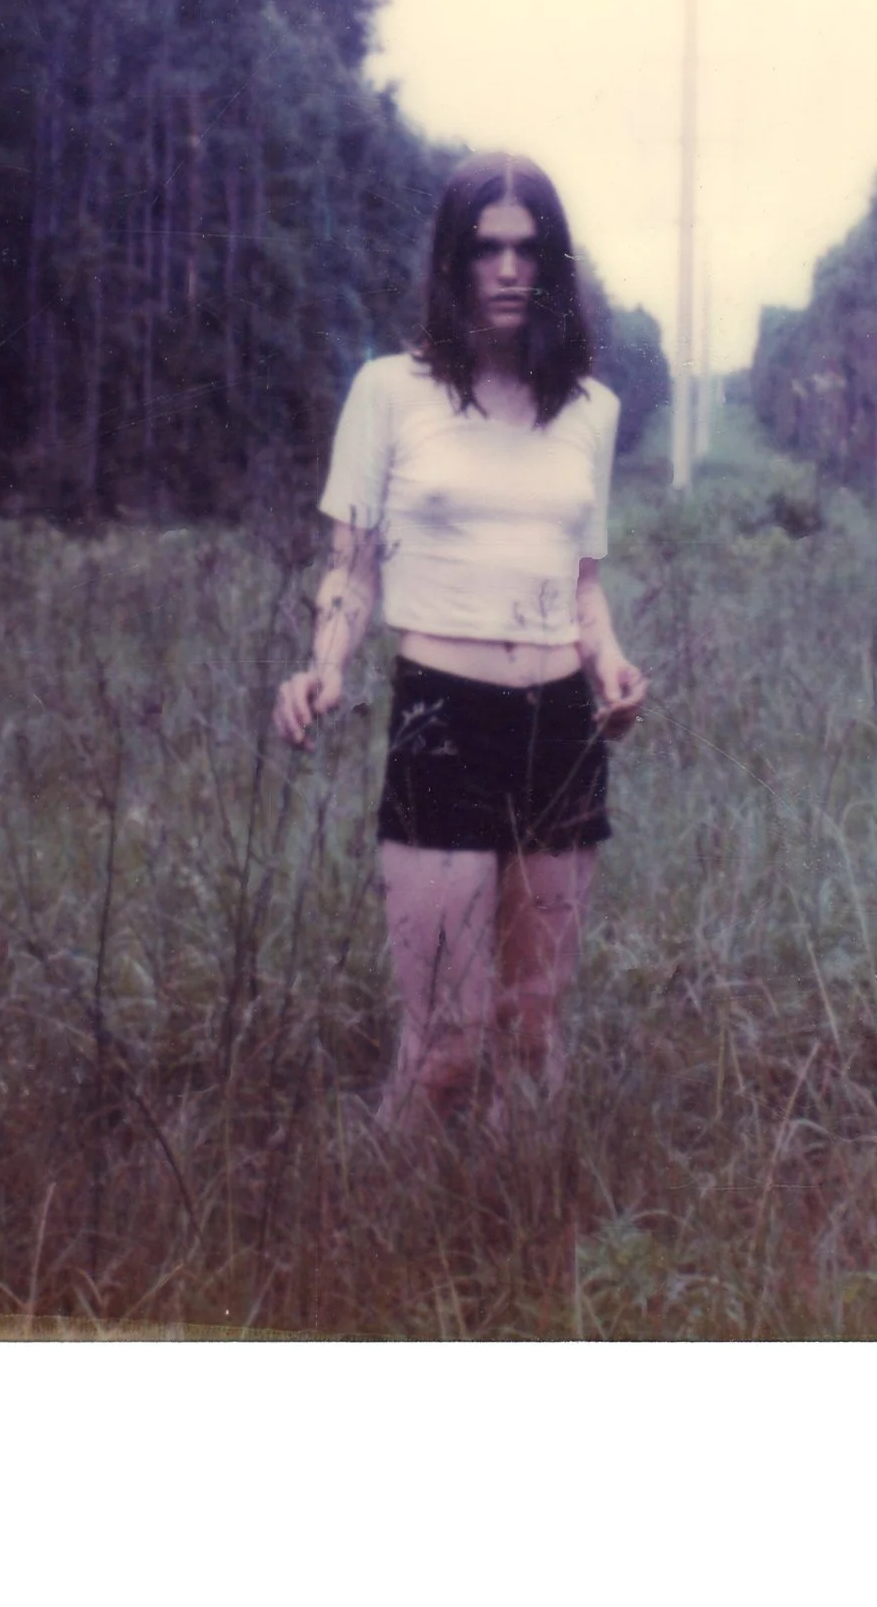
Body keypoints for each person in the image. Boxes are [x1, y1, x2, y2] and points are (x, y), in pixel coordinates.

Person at [274, 152, 648, 1135]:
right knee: (445, 1042)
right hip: (444, 716)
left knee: (532, 1036)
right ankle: (366, 1253)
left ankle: (519, 1257)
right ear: (454, 262)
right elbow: (351, 569)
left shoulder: (590, 410)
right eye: (487, 249)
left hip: (561, 729)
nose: (510, 269)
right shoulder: (390, 393)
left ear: (554, 264)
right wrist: (324, 665)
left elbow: (584, 585)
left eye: (530, 249)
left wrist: (609, 663)